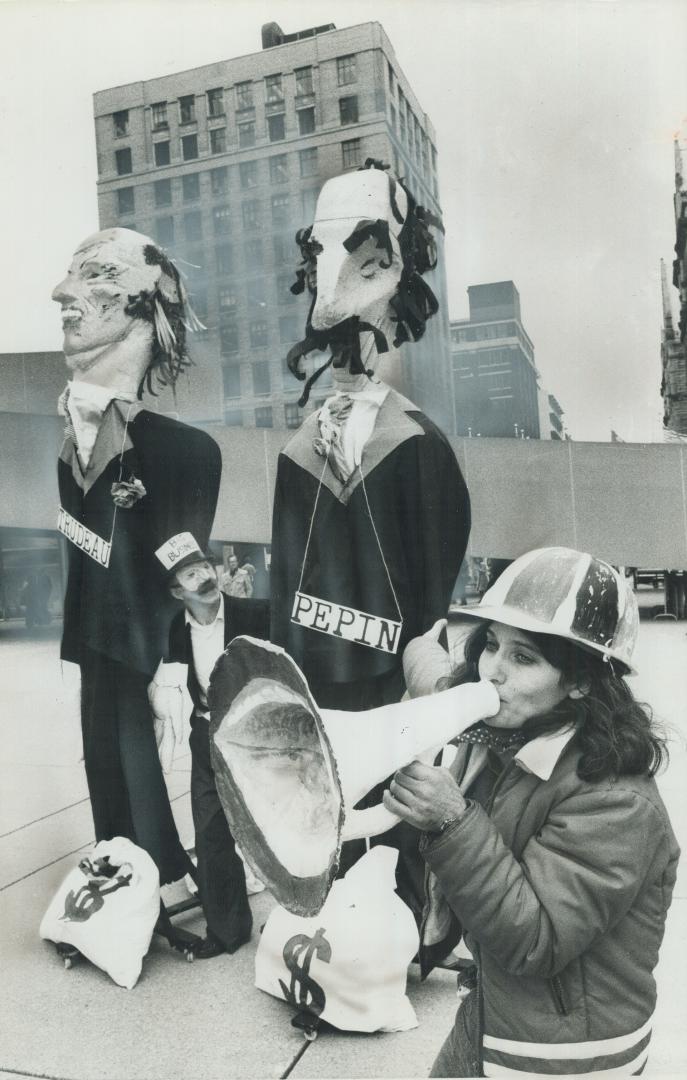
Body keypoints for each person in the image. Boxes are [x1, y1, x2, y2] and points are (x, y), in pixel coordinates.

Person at [386, 546, 679, 1078]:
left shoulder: (616, 799)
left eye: (524, 657)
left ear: (581, 681)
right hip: (494, 1012)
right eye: (490, 645)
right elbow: (439, 680)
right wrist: (417, 649)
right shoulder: (514, 719)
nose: (491, 672)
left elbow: (536, 939)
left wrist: (454, 821)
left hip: (565, 1053)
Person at [52, 227, 221, 902]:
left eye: (95, 277)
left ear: (145, 304)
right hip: (98, 644)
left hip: (140, 646)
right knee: (105, 762)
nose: (62, 292)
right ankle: (126, 875)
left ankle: (167, 876)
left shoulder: (183, 451)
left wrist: (172, 666)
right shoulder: (71, 440)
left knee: (133, 759)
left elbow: (183, 565)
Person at [271, 160, 470, 711]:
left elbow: (433, 598)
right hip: (312, 680)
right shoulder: (299, 450)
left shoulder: (417, 446)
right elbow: (286, 581)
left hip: (389, 685)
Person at [150, 535, 269, 959]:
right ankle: (227, 932)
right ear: (176, 590)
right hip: (208, 740)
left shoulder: (254, 615)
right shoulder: (175, 630)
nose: (204, 577)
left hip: (258, 738)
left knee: (276, 829)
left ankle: (305, 922)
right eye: (190, 573)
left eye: (205, 566)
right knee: (211, 834)